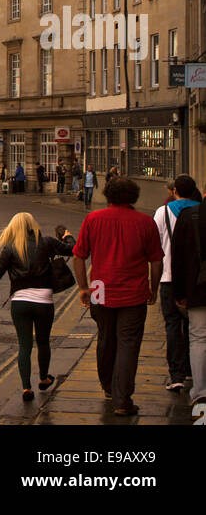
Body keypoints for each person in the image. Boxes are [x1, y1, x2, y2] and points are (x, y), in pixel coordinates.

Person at [72, 176, 163, 416]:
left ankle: (108, 386)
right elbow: (156, 260)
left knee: (105, 337)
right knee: (128, 343)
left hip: (100, 289)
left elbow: (79, 255)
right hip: (134, 291)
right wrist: (155, 288)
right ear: (133, 196)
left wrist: (83, 287)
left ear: (108, 195)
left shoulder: (93, 219)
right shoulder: (145, 222)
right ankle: (123, 399)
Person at [0, 211, 73, 401]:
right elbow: (72, 249)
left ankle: (26, 388)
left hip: (20, 302)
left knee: (24, 345)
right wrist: (68, 236)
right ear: (33, 225)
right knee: (43, 342)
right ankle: (43, 378)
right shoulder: (47, 242)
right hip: (44, 301)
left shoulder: (10, 248)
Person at [153, 174, 202, 392]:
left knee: (172, 325)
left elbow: (154, 246)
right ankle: (194, 369)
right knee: (195, 327)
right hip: (196, 279)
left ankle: (176, 374)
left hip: (168, 277)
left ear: (174, 191)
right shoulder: (200, 211)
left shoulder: (162, 212)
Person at [171, 183, 206, 413]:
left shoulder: (189, 215)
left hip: (198, 287)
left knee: (198, 338)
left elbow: (178, 257)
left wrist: (179, 293)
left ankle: (200, 392)